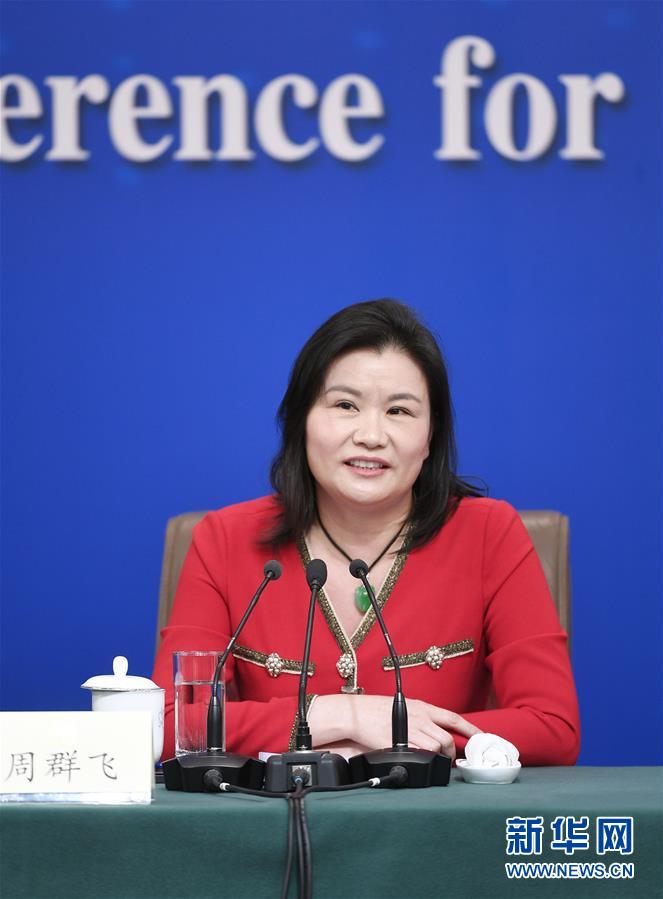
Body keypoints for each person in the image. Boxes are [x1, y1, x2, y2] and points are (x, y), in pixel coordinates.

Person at [152, 300, 580, 765]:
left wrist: (399, 740)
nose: (371, 435)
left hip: (434, 809)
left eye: (399, 411)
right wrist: (341, 716)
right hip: (283, 809)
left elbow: (552, 726)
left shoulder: (489, 534)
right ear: (301, 421)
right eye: (345, 405)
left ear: (430, 437)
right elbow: (169, 724)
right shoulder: (224, 540)